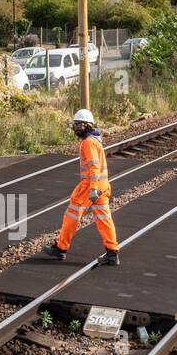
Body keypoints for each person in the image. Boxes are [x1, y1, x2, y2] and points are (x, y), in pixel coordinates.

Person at [43, 108, 120, 265]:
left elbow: (94, 167)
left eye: (80, 124)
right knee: (104, 219)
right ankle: (112, 253)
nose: (76, 127)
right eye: (75, 124)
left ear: (89, 125)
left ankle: (60, 248)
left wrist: (92, 189)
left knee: (71, 216)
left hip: (89, 187)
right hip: (102, 186)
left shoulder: (88, 143)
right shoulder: (95, 140)